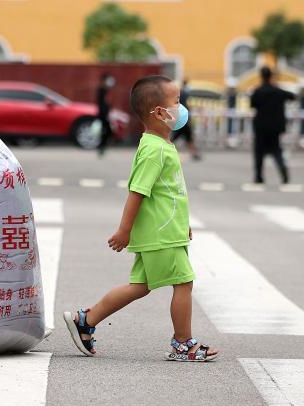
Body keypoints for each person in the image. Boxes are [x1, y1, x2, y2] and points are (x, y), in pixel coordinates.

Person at [63, 75, 218, 362]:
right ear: (160, 112)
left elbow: (169, 193)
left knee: (140, 287)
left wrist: (183, 223)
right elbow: (138, 192)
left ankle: (86, 319)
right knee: (184, 283)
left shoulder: (158, 145)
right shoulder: (154, 150)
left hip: (165, 230)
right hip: (161, 234)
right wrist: (124, 230)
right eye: (177, 102)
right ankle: (183, 343)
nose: (182, 108)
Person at [250, 66, 295, 184]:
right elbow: (292, 96)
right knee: (276, 150)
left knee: (259, 152)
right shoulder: (278, 91)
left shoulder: (258, 91)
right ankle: (283, 170)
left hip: (261, 126)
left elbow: (252, 104)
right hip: (275, 127)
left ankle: (258, 176)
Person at [171, 79, 201, 160]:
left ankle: (194, 153)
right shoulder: (182, 94)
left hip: (182, 120)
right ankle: (194, 153)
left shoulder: (181, 94)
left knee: (188, 138)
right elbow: (184, 107)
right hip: (182, 121)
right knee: (183, 138)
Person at [95, 73, 114, 156]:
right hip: (103, 114)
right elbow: (101, 104)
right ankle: (101, 147)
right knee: (106, 131)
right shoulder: (101, 90)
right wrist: (105, 113)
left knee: (107, 131)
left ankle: (102, 146)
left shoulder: (105, 90)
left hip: (104, 114)